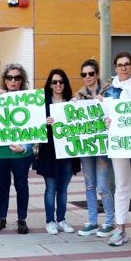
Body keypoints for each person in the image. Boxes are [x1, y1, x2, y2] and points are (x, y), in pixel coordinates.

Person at [0, 64, 34, 234]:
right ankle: (2, 217)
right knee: (2, 185)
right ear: (4, 80)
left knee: (21, 185)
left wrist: (24, 147)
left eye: (17, 78)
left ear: (22, 80)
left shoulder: (30, 100)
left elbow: (34, 127)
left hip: (22, 153)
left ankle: (22, 219)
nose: (13, 81)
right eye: (9, 78)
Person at [37, 69, 81, 235]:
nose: (58, 85)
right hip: (49, 152)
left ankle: (61, 219)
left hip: (68, 152)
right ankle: (50, 221)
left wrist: (77, 107)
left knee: (63, 189)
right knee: (51, 188)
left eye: (61, 81)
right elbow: (32, 124)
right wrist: (43, 121)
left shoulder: (72, 103)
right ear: (50, 84)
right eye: (54, 82)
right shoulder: (42, 103)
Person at [103, 52, 131, 247]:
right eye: (120, 65)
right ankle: (120, 229)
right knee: (121, 186)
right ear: (115, 68)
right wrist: (107, 122)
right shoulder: (110, 91)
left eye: (127, 64)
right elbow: (105, 117)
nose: (124, 68)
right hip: (119, 144)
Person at [75, 59, 115, 237]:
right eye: (84, 74)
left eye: (91, 73)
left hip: (103, 146)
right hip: (86, 147)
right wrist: (71, 106)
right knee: (89, 185)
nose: (87, 77)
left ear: (97, 74)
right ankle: (92, 221)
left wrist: (105, 102)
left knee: (102, 186)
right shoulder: (79, 95)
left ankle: (109, 221)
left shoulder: (110, 90)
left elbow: (117, 111)